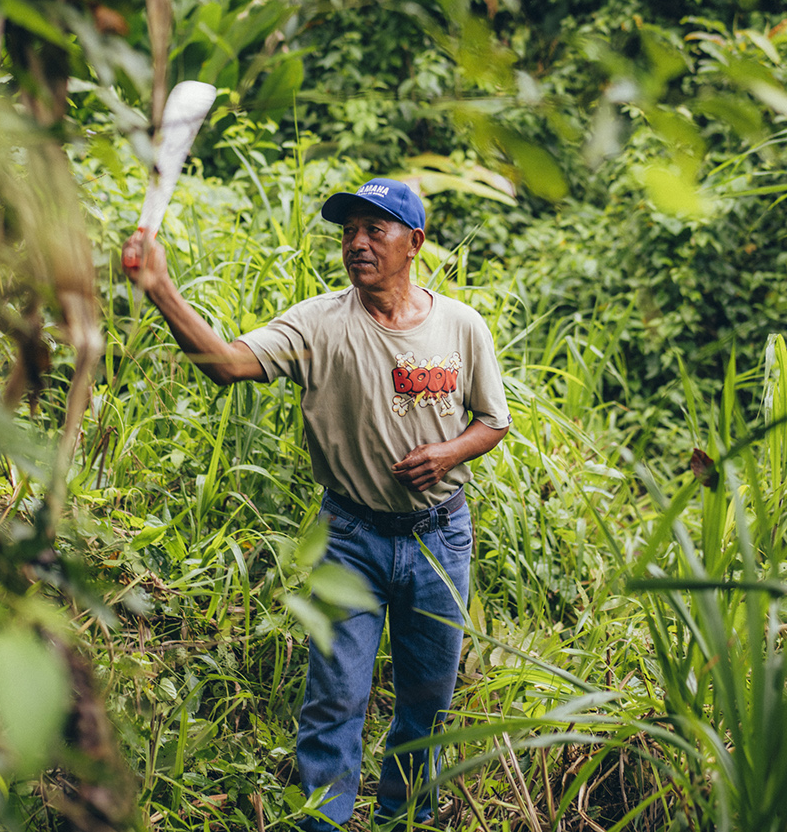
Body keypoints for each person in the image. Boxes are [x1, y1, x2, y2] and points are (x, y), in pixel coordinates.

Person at [122, 177, 511, 829]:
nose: (357, 242)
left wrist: (449, 453)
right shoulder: (318, 324)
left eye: (374, 229)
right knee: (334, 702)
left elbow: (492, 420)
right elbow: (226, 362)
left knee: (426, 705)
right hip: (351, 538)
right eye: (348, 230)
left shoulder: (460, 326)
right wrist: (160, 288)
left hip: (441, 538)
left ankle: (402, 820)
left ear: (414, 241)